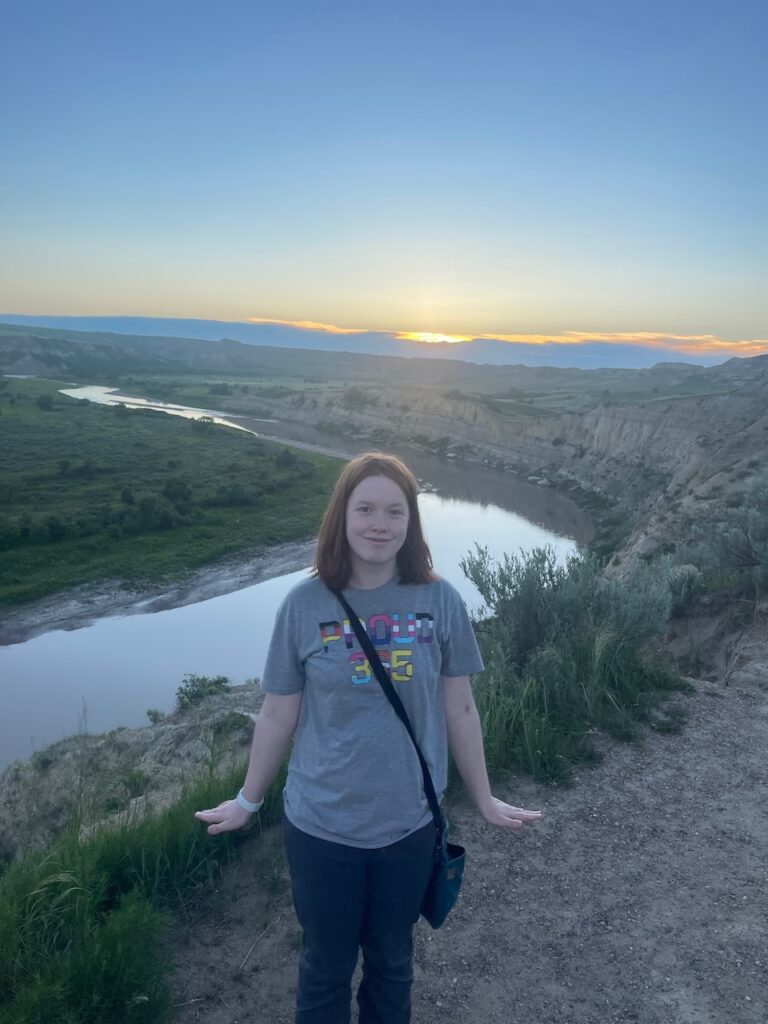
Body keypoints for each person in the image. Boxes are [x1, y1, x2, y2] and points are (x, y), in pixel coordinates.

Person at [195, 451, 541, 1024]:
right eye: (365, 509)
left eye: (394, 511)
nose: (380, 524)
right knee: (325, 966)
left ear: (411, 522)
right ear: (342, 517)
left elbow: (460, 708)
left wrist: (482, 798)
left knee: (391, 961)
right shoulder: (303, 604)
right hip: (321, 825)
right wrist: (247, 799)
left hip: (409, 822)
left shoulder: (440, 601)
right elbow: (278, 713)